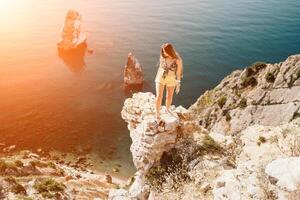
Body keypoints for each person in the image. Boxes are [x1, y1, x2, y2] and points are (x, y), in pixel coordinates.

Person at [154, 43, 183, 121]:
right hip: (161, 78)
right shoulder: (163, 56)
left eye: (165, 51)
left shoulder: (177, 60)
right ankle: (157, 113)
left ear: (170, 51)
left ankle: (167, 109)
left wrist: (178, 84)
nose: (164, 53)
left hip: (172, 79)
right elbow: (160, 67)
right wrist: (157, 78)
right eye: (163, 51)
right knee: (159, 96)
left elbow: (178, 73)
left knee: (169, 96)